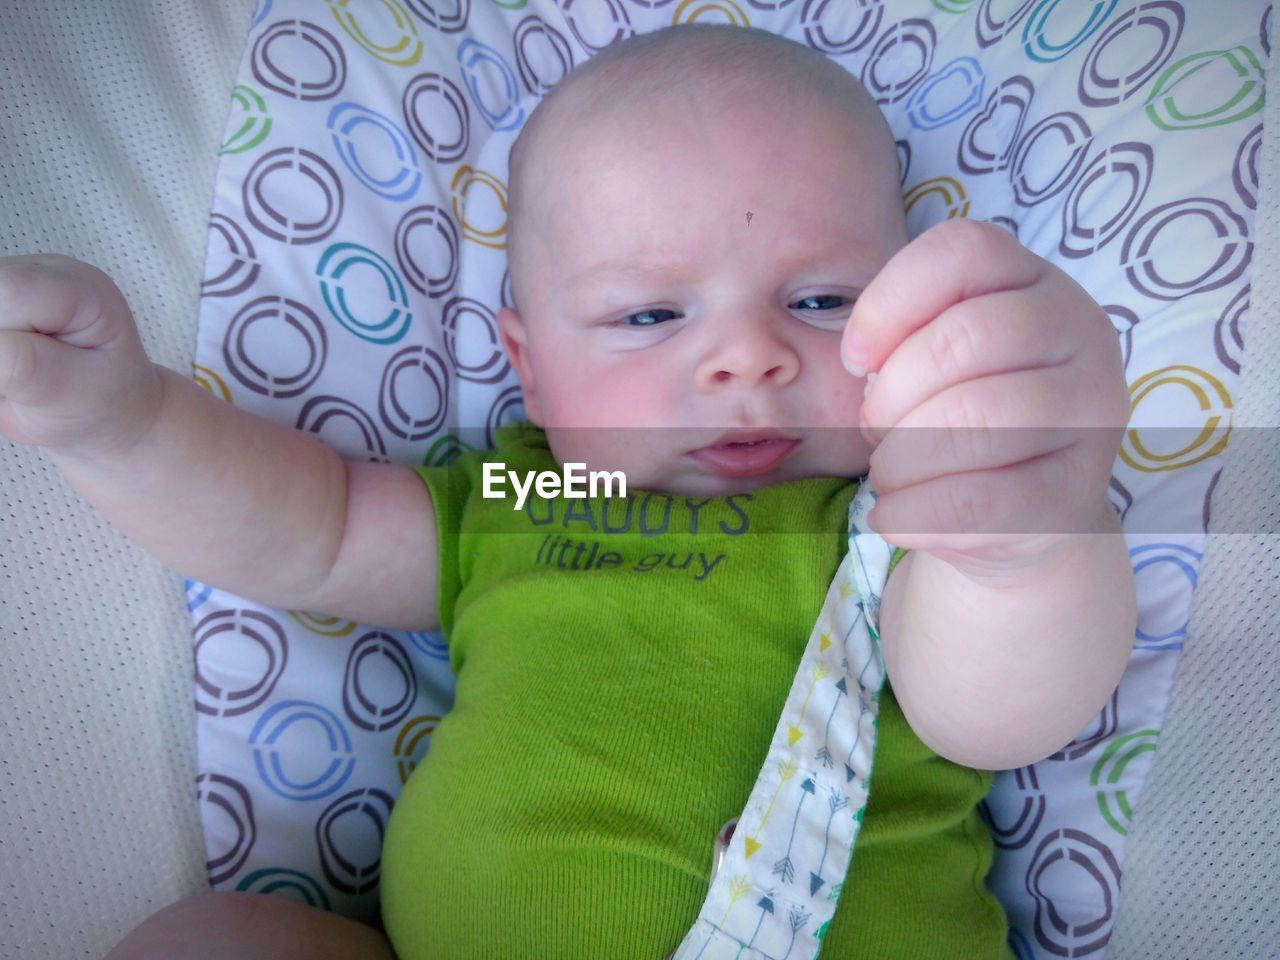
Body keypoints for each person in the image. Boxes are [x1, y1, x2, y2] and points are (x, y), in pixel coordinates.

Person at [0, 23, 1135, 960]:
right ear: (530, 367)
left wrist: (1018, 542)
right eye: (650, 315)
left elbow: (994, 710)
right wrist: (124, 420)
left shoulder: (885, 529)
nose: (745, 358)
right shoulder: (517, 504)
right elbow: (312, 528)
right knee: (206, 945)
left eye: (825, 302)